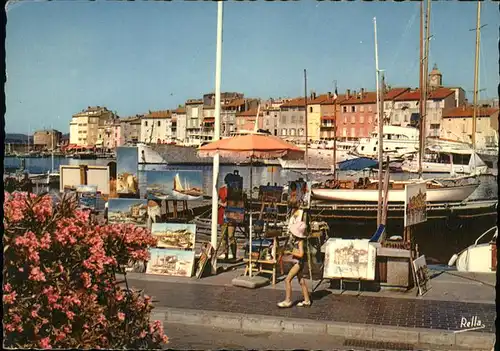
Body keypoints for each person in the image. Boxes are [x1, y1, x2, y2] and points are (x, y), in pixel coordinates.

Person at [277, 207, 311, 308]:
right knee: (301, 281)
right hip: (299, 262)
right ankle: (307, 300)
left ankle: (288, 300)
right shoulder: (298, 240)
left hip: (298, 263)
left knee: (287, 280)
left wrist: (291, 251)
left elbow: (301, 254)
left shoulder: (300, 241)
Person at [217, 184, 237, 261]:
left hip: (232, 215)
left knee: (231, 235)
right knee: (223, 237)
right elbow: (217, 199)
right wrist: (221, 204)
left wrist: (229, 204)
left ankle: (234, 255)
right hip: (222, 215)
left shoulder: (235, 190)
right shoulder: (221, 189)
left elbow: (238, 202)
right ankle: (226, 255)